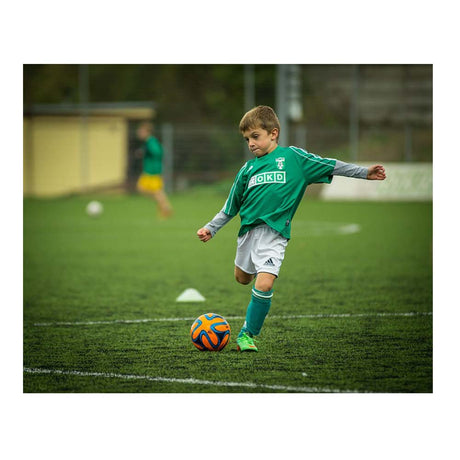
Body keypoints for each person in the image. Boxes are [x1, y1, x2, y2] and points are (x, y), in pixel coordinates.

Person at [196, 105, 386, 352]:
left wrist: (364, 172)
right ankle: (256, 278)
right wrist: (211, 228)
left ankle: (247, 334)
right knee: (242, 278)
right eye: (246, 139)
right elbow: (230, 207)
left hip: (275, 235)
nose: (251, 143)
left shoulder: (294, 159)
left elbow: (330, 165)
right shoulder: (247, 170)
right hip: (248, 235)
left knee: (264, 284)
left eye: (256, 136)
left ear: (273, 133)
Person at [136, 122, 173, 218]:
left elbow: (158, 152)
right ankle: (164, 206)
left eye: (141, 131)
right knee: (143, 189)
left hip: (152, 171)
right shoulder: (148, 142)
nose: (139, 133)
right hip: (149, 170)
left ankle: (165, 207)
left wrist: (146, 152)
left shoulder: (151, 141)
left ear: (147, 132)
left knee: (156, 191)